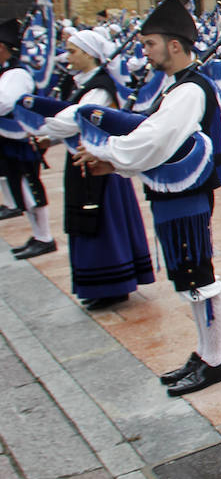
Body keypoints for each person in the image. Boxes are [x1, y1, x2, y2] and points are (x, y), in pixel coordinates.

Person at [73, 0, 221, 396]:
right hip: (175, 194)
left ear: (174, 45)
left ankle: (215, 360)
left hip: (187, 196)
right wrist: (113, 160)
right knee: (189, 276)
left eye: (150, 44)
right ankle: (204, 352)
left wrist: (108, 153)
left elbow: (155, 139)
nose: (145, 51)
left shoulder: (189, 91)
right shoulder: (180, 87)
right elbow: (153, 136)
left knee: (199, 276)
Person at [30, 29, 155, 309]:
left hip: (99, 163)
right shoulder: (85, 84)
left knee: (103, 222)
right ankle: (100, 283)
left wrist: (36, 118)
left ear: (88, 54)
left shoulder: (99, 88)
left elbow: (75, 119)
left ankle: (114, 284)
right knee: (89, 220)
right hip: (83, 158)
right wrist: (49, 137)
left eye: (73, 51)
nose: (68, 56)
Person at [0, 19, 56, 256]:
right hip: (9, 139)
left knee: (29, 185)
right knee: (20, 186)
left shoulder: (17, 73)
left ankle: (45, 237)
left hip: (21, 139)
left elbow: (5, 103)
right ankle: (37, 235)